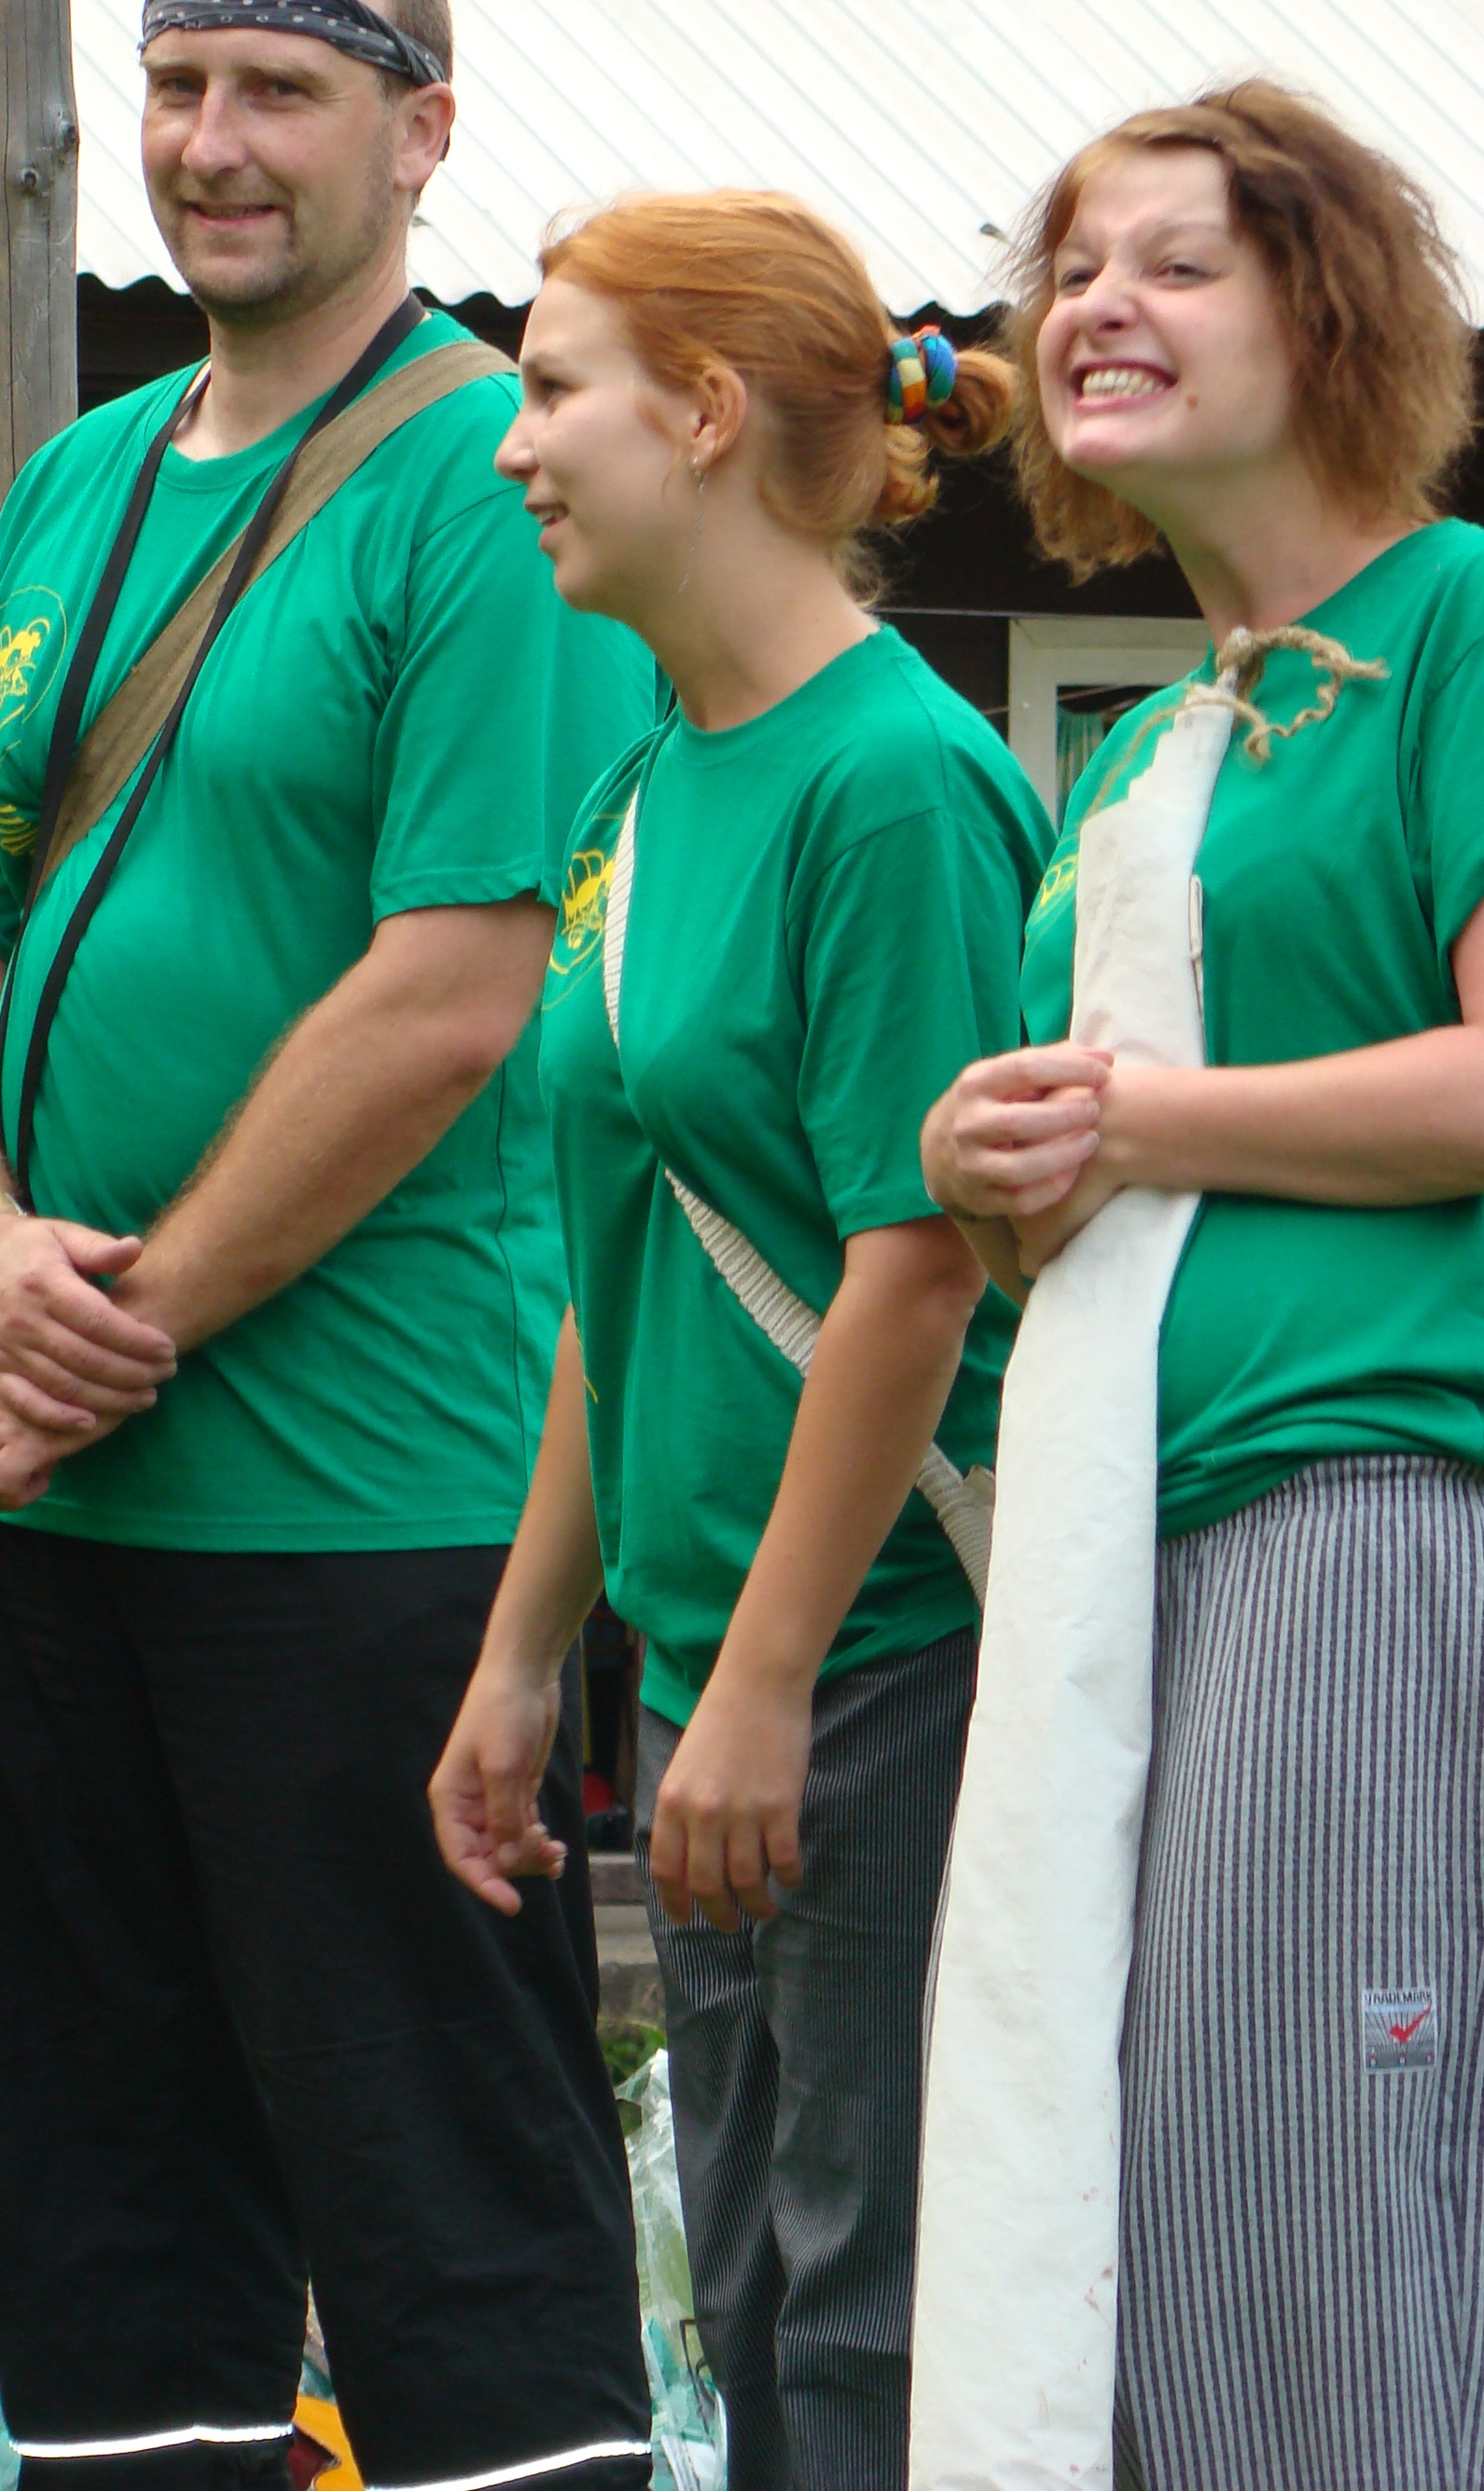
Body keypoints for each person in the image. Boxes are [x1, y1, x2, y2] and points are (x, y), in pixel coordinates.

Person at [0, 0, 655, 2491]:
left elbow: (456, 986)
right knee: (99, 2234)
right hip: (53, 1512)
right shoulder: (79, 484)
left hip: (371, 1507)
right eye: (181, 86)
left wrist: (119, 1330)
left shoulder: (494, 483)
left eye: (283, 92)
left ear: (423, 136)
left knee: (447, 2215)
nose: (213, 144)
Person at [920, 80, 1484, 2491]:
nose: (1095, 306)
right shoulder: (1149, 756)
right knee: (1138, 2198)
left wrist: (1136, 1119)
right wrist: (994, 1169)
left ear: (1327, 315)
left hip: (1373, 1494)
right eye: (1070, 270)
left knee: (1317, 2208)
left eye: (1174, 262)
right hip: (1126, 1536)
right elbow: (1115, 1176)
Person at [428, 193, 1052, 2491]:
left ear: (700, 414)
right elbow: (633, 1267)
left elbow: (918, 1266)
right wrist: (529, 1657)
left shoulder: (895, 784)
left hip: (885, 1667)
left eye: (550, 388)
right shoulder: (642, 782)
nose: (512, 447)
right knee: (761, 2299)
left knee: (878, 2311)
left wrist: (773, 1681)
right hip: (713, 1672)